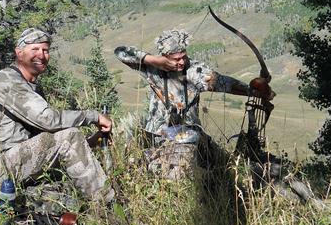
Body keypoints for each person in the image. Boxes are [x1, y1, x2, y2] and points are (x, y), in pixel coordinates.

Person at [0, 28, 113, 203]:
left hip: (7, 159)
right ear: (19, 53)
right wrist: (94, 117)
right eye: (34, 49)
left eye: (45, 50)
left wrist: (90, 141)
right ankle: (106, 206)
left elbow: (47, 140)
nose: (41, 55)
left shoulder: (29, 86)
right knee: (69, 137)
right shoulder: (9, 81)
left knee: (69, 143)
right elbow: (48, 120)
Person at [114, 29, 275, 169]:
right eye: (176, 59)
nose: (182, 62)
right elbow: (120, 52)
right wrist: (154, 60)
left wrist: (252, 91)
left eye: (183, 56)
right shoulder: (153, 69)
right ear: (165, 57)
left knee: (224, 165)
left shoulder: (193, 70)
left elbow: (222, 83)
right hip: (157, 136)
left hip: (190, 136)